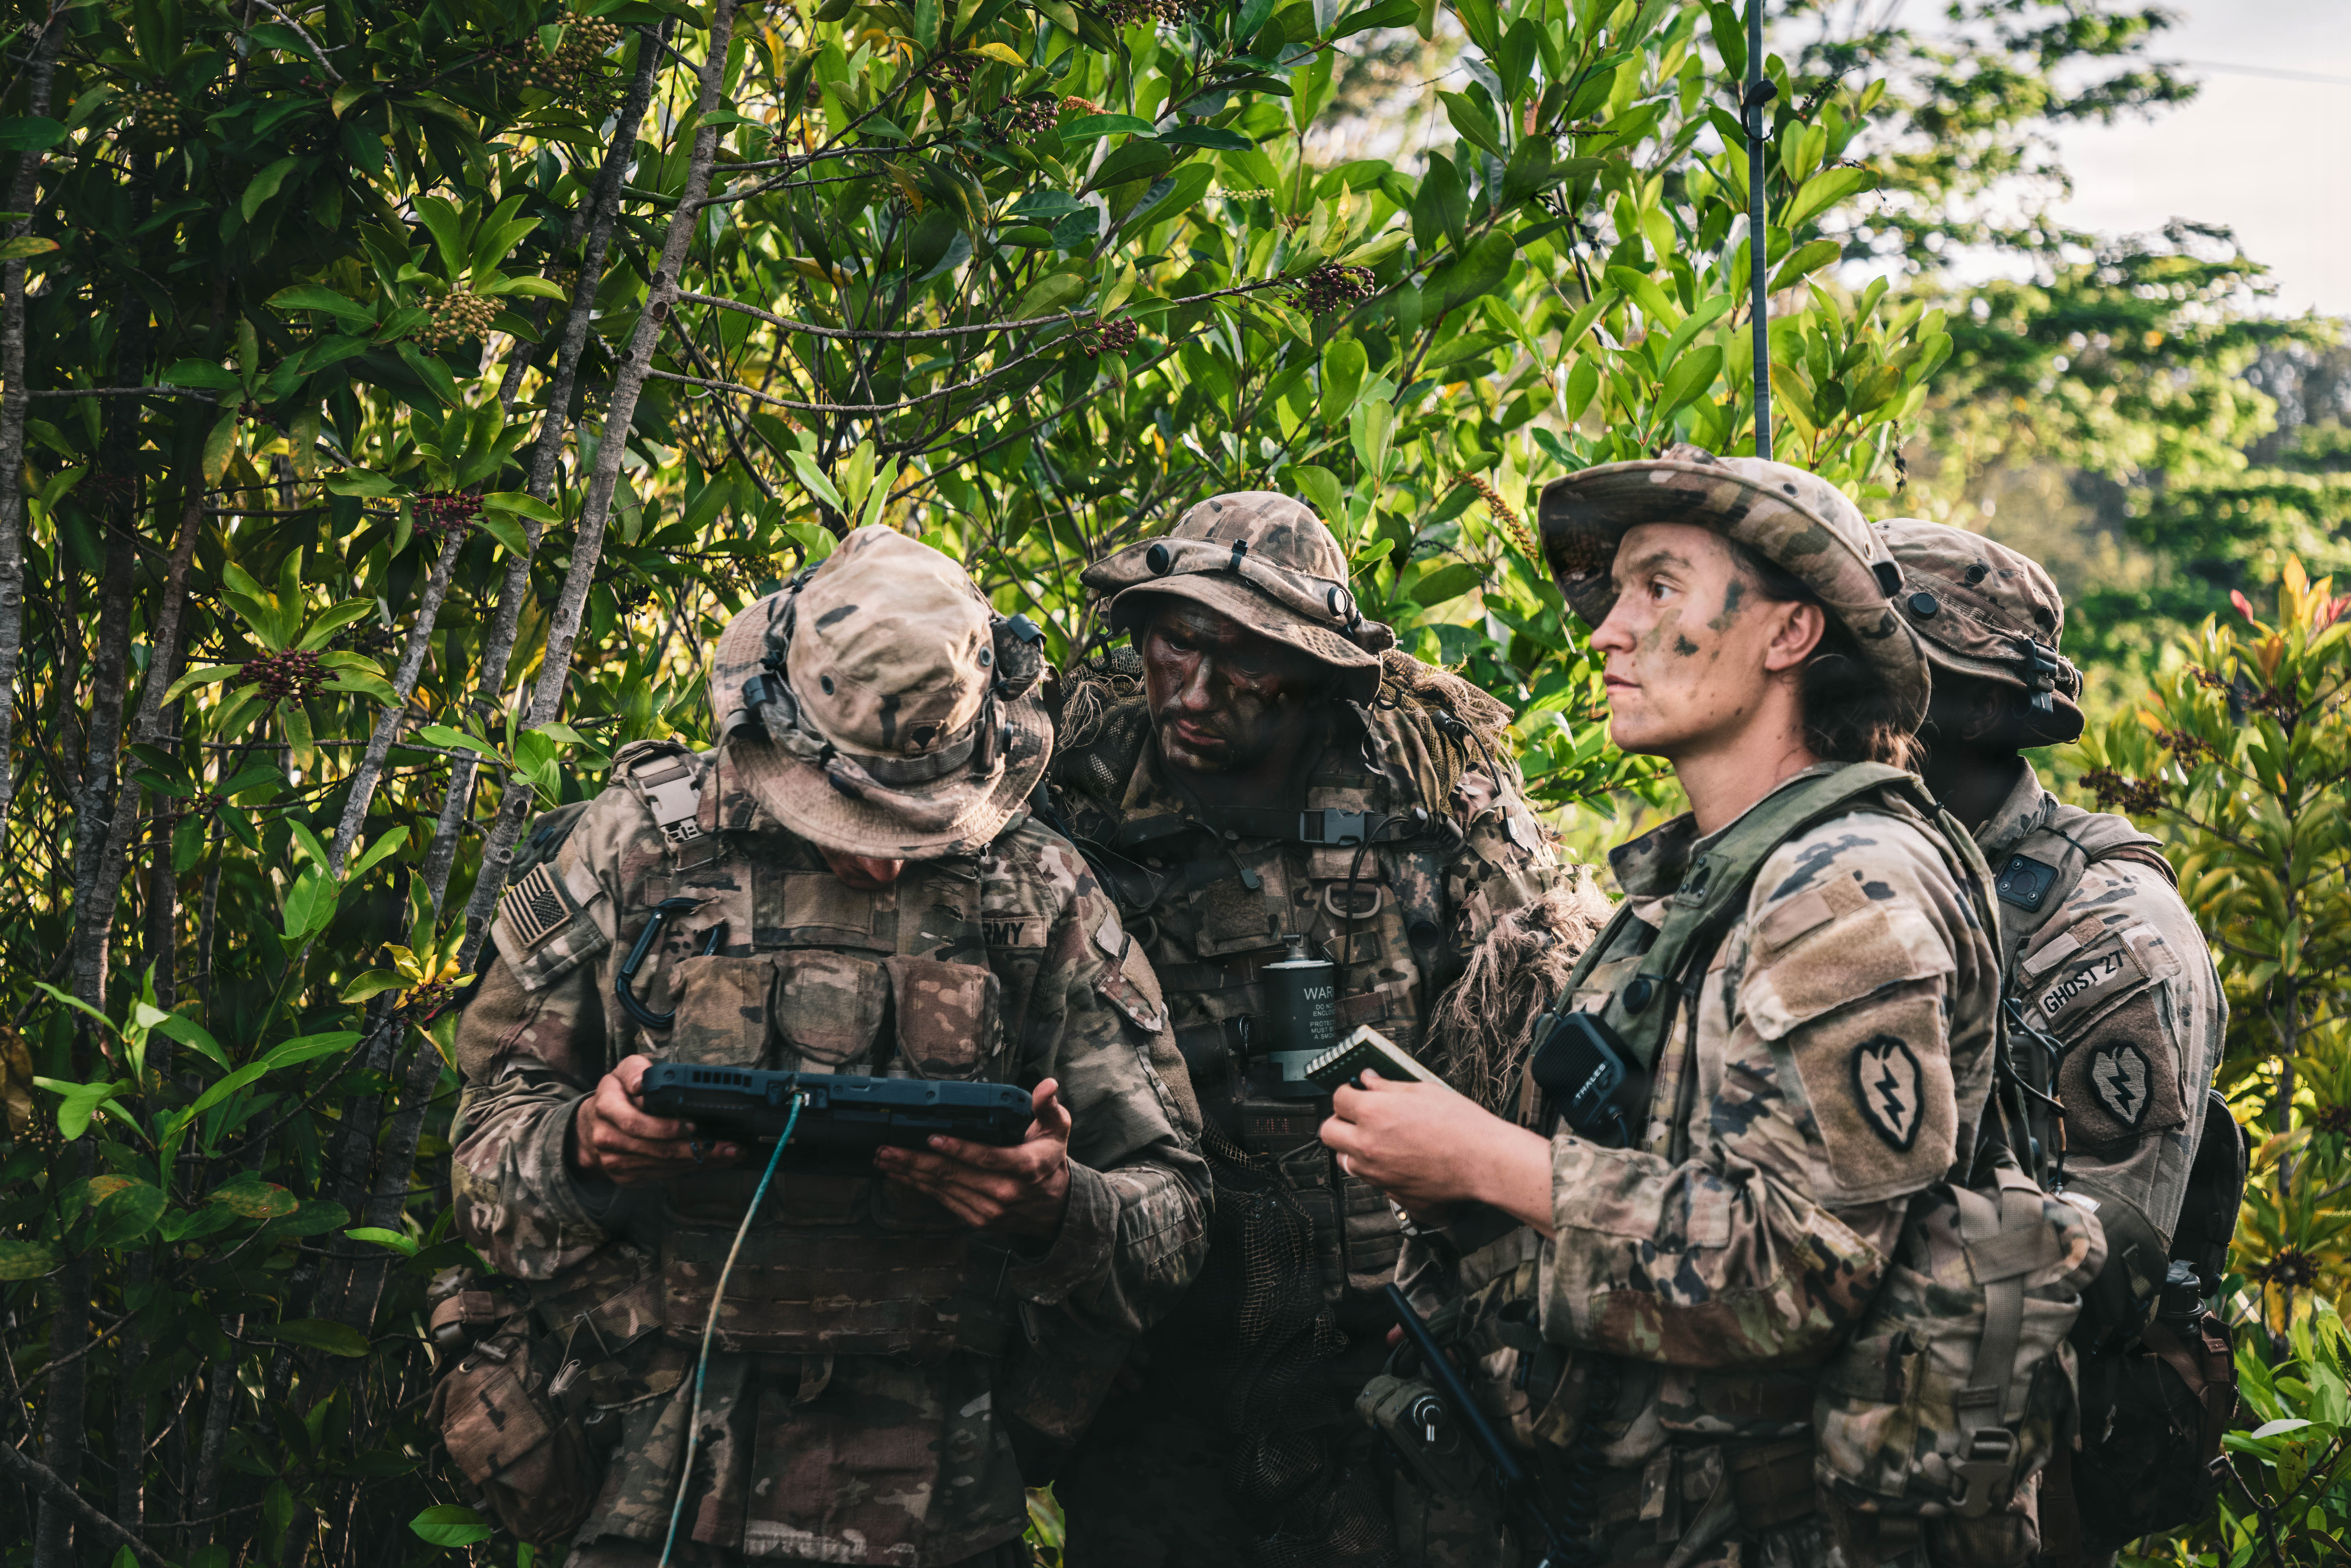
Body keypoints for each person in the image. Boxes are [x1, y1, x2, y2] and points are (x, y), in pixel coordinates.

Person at [440, 525, 1210, 1568]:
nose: (887, 864)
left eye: (923, 826)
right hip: (650, 1489)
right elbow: (479, 1157)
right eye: (851, 815)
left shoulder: (1038, 895)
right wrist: (585, 1146)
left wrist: (1058, 1208)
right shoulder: (641, 849)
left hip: (943, 1506)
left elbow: (1178, 1218)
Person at [1320, 445, 2008, 1566]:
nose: (1606, 632)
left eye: (1658, 588)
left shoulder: (1842, 891)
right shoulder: (1733, 875)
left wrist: (1484, 1163)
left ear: (1789, 635)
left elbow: (1797, 1265)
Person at [1045, 492, 1584, 1567]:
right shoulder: (1073, 799)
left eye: (1243, 663)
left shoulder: (1429, 802)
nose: (1193, 693)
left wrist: (1479, 1294)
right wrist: (1073, 1295)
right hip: (1167, 1360)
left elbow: (1543, 1044)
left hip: (1393, 1357)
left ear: (1318, 676)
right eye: (1173, 642)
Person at [1875, 518, 2231, 1561]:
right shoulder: (1859, 880)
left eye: (1869, 666)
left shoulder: (2108, 927)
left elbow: (2089, 1270)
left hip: (2018, 1478)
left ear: (1956, 704)